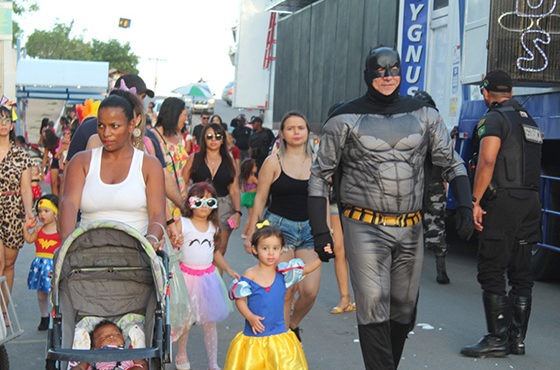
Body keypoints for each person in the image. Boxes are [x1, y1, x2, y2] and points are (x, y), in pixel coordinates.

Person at [308, 46, 474, 369]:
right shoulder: (344, 119)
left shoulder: (424, 115)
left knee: (403, 310)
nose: (388, 77)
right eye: (380, 71)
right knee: (372, 305)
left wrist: (465, 203)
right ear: (368, 75)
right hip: (363, 225)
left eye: (393, 70)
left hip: (411, 225)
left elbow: (450, 161)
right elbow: (319, 175)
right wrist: (320, 230)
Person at [461, 70, 542, 358]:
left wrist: (474, 200)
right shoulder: (528, 120)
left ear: (485, 93)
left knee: (492, 267)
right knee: (522, 272)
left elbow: (487, 159)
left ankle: (496, 338)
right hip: (531, 200)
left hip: (504, 201)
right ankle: (516, 340)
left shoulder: (493, 119)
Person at [64, 74, 184, 243]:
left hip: (135, 257)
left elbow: (157, 212)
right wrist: (68, 245)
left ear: (132, 124)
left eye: (115, 126)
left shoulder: (149, 164)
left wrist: (151, 239)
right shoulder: (81, 161)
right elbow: (68, 203)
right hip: (87, 257)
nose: (106, 133)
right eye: (101, 125)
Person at [244, 111, 319, 342]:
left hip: (309, 230)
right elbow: (260, 198)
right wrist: (251, 233)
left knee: (309, 291)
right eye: (290, 128)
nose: (296, 132)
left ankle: (293, 325)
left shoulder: (318, 163)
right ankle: (283, 342)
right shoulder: (273, 161)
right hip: (279, 231)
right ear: (283, 134)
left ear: (308, 132)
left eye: (300, 127)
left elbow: (322, 199)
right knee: (285, 291)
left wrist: (328, 231)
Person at [224, 222, 332, 370]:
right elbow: (240, 301)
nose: (270, 253)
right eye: (265, 248)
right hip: (255, 337)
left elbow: (306, 270)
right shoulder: (250, 275)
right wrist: (250, 317)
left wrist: (322, 257)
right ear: (255, 249)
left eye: (275, 248)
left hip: (279, 335)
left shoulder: (283, 274)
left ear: (282, 249)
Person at [174, 182, 237, 370]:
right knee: (184, 320)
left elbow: (215, 252)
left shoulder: (213, 227)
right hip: (186, 277)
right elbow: (173, 243)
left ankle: (212, 363)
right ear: (189, 203)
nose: (204, 206)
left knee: (209, 322)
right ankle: (181, 354)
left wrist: (228, 269)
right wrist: (175, 240)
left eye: (209, 202)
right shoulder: (182, 223)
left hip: (208, 279)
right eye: (198, 201)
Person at [182, 123, 242, 258]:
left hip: (224, 206)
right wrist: (187, 202)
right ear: (204, 139)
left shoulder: (229, 160)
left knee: (219, 250)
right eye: (209, 137)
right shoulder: (195, 158)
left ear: (222, 140)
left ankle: (215, 279)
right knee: (198, 246)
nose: (213, 140)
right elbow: (183, 182)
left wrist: (237, 212)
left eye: (217, 136)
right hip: (198, 206)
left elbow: (234, 189)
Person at [414, 90, 451, 284]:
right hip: (433, 183)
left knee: (410, 226)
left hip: (415, 183)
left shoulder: (411, 125)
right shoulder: (438, 126)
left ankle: (408, 267)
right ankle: (441, 269)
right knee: (436, 225)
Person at [0, 105, 36, 296]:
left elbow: (25, 188)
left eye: (7, 120)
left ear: (12, 125)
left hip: (14, 210)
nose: (3, 124)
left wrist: (29, 213)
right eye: (0, 120)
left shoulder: (21, 155)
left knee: (9, 264)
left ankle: (4, 312)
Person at [151, 97, 190, 234]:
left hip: (180, 201)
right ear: (174, 114)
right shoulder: (153, 137)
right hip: (163, 202)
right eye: (184, 115)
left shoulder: (177, 138)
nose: (185, 120)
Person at [23, 194, 61, 331]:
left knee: (55, 294)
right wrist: (26, 229)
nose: (42, 215)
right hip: (40, 266)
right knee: (41, 294)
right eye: (39, 211)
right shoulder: (39, 229)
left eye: (46, 211)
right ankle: (44, 317)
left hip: (53, 265)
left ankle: (57, 317)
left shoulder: (60, 230)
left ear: (55, 212)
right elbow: (29, 239)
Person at [70, 320, 148, 370]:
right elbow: (80, 366)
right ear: (94, 346)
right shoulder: (91, 354)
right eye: (104, 337)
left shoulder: (129, 351)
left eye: (117, 334)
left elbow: (142, 364)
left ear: (123, 339)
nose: (111, 336)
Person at [239, 158, 258, 239]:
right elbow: (260, 184)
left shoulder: (244, 178)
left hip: (246, 196)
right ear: (251, 168)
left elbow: (243, 189)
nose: (256, 167)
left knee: (252, 216)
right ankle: (244, 233)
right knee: (251, 217)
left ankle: (251, 231)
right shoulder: (252, 178)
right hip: (251, 197)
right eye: (255, 166)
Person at [41, 128, 61, 196]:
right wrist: (42, 170)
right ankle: (55, 197)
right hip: (54, 162)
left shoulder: (59, 141)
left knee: (60, 183)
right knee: (53, 183)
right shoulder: (47, 145)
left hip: (61, 161)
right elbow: (45, 157)